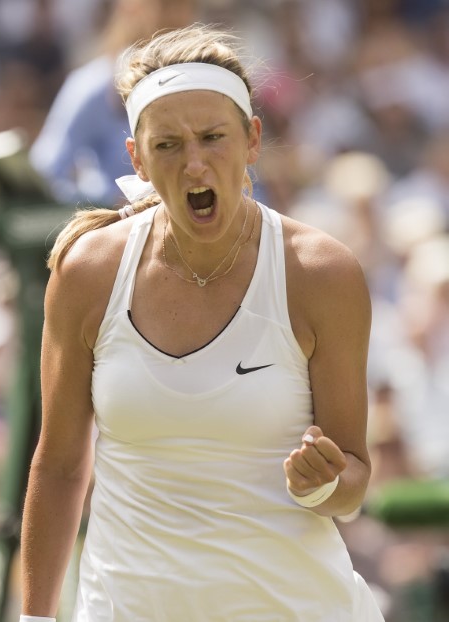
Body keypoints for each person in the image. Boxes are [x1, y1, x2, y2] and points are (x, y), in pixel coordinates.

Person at [19, 24, 384, 621]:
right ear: (135, 156)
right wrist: (34, 618)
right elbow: (58, 465)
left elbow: (353, 483)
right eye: (167, 145)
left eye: (213, 138)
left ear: (252, 140)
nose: (194, 165)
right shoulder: (87, 271)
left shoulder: (322, 273)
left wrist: (323, 482)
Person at [28, 0, 198, 208]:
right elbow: (46, 173)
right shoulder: (94, 86)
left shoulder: (205, 82)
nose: (177, 17)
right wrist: (109, 204)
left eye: (185, 5)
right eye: (164, 5)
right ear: (132, 6)